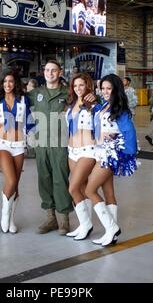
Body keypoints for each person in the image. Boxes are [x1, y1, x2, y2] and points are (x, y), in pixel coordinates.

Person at [85, 74, 138, 246]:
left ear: (116, 90)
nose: (105, 91)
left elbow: (129, 133)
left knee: (89, 191)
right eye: (103, 88)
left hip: (110, 155)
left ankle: (112, 227)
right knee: (109, 193)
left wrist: (124, 154)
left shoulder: (119, 109)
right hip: (100, 152)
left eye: (109, 88)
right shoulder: (105, 106)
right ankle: (111, 232)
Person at [26, 60, 72, 235]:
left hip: (60, 144)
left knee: (61, 179)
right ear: (43, 72)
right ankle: (51, 218)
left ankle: (64, 220)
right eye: (47, 70)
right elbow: (15, 100)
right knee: (44, 180)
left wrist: (92, 97)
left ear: (59, 72)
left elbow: (87, 98)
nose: (50, 73)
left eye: (54, 70)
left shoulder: (68, 93)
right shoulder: (35, 93)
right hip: (41, 143)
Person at [0, 70, 33, 234]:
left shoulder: (24, 100)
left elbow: (30, 121)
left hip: (18, 145)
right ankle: (4, 216)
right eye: (4, 81)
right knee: (10, 180)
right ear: (1, 84)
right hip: (2, 144)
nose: (7, 84)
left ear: (15, 82)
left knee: (15, 183)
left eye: (10, 81)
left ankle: (11, 219)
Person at [64, 73, 97, 241]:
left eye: (81, 85)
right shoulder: (71, 103)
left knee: (73, 188)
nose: (78, 88)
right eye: (75, 86)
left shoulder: (93, 102)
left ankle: (86, 225)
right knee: (82, 189)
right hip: (72, 151)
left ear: (88, 85)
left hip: (88, 150)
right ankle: (84, 224)